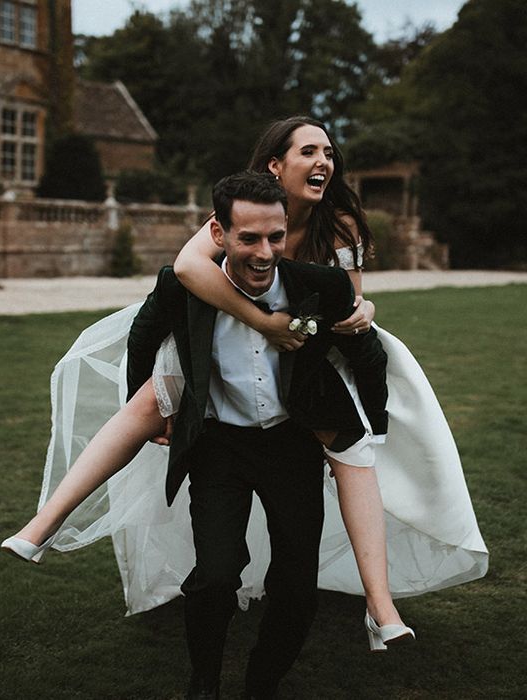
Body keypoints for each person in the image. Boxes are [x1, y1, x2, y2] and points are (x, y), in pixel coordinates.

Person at [2, 117, 487, 646]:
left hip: (311, 351)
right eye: (310, 151)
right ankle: (43, 525)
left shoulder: (340, 223)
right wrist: (263, 322)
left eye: (329, 151)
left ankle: (380, 605)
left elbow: (344, 299)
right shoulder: (240, 211)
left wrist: (360, 310)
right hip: (228, 328)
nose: (325, 161)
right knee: (148, 400)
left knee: (352, 450)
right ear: (275, 165)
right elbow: (188, 268)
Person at [126, 170, 391, 698]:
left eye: (275, 236)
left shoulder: (322, 285)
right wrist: (155, 410)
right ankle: (204, 680)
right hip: (219, 448)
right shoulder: (183, 286)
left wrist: (372, 430)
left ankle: (262, 681)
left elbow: (368, 353)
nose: (265, 251)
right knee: (216, 575)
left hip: (291, 445)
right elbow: (142, 335)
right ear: (218, 233)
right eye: (249, 238)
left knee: (296, 586)